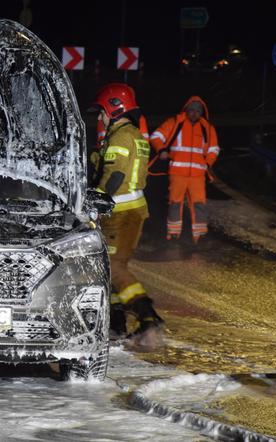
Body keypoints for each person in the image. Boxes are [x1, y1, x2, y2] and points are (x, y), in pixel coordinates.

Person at [89, 83, 163, 338]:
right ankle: (117, 324)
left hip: (120, 212)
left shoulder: (121, 137)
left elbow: (115, 175)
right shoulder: (133, 135)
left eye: (102, 112)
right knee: (111, 268)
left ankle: (147, 317)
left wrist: (96, 201)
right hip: (132, 211)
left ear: (114, 109)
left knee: (113, 267)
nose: (100, 117)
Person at [149, 97, 221, 244]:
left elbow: (214, 149)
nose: (194, 113)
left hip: (198, 175)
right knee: (175, 203)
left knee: (199, 204)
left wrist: (207, 163)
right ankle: (173, 234)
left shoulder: (207, 128)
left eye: (197, 111)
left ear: (201, 112)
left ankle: (199, 235)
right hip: (177, 173)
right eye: (192, 110)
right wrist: (161, 149)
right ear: (186, 109)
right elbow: (156, 136)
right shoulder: (175, 122)